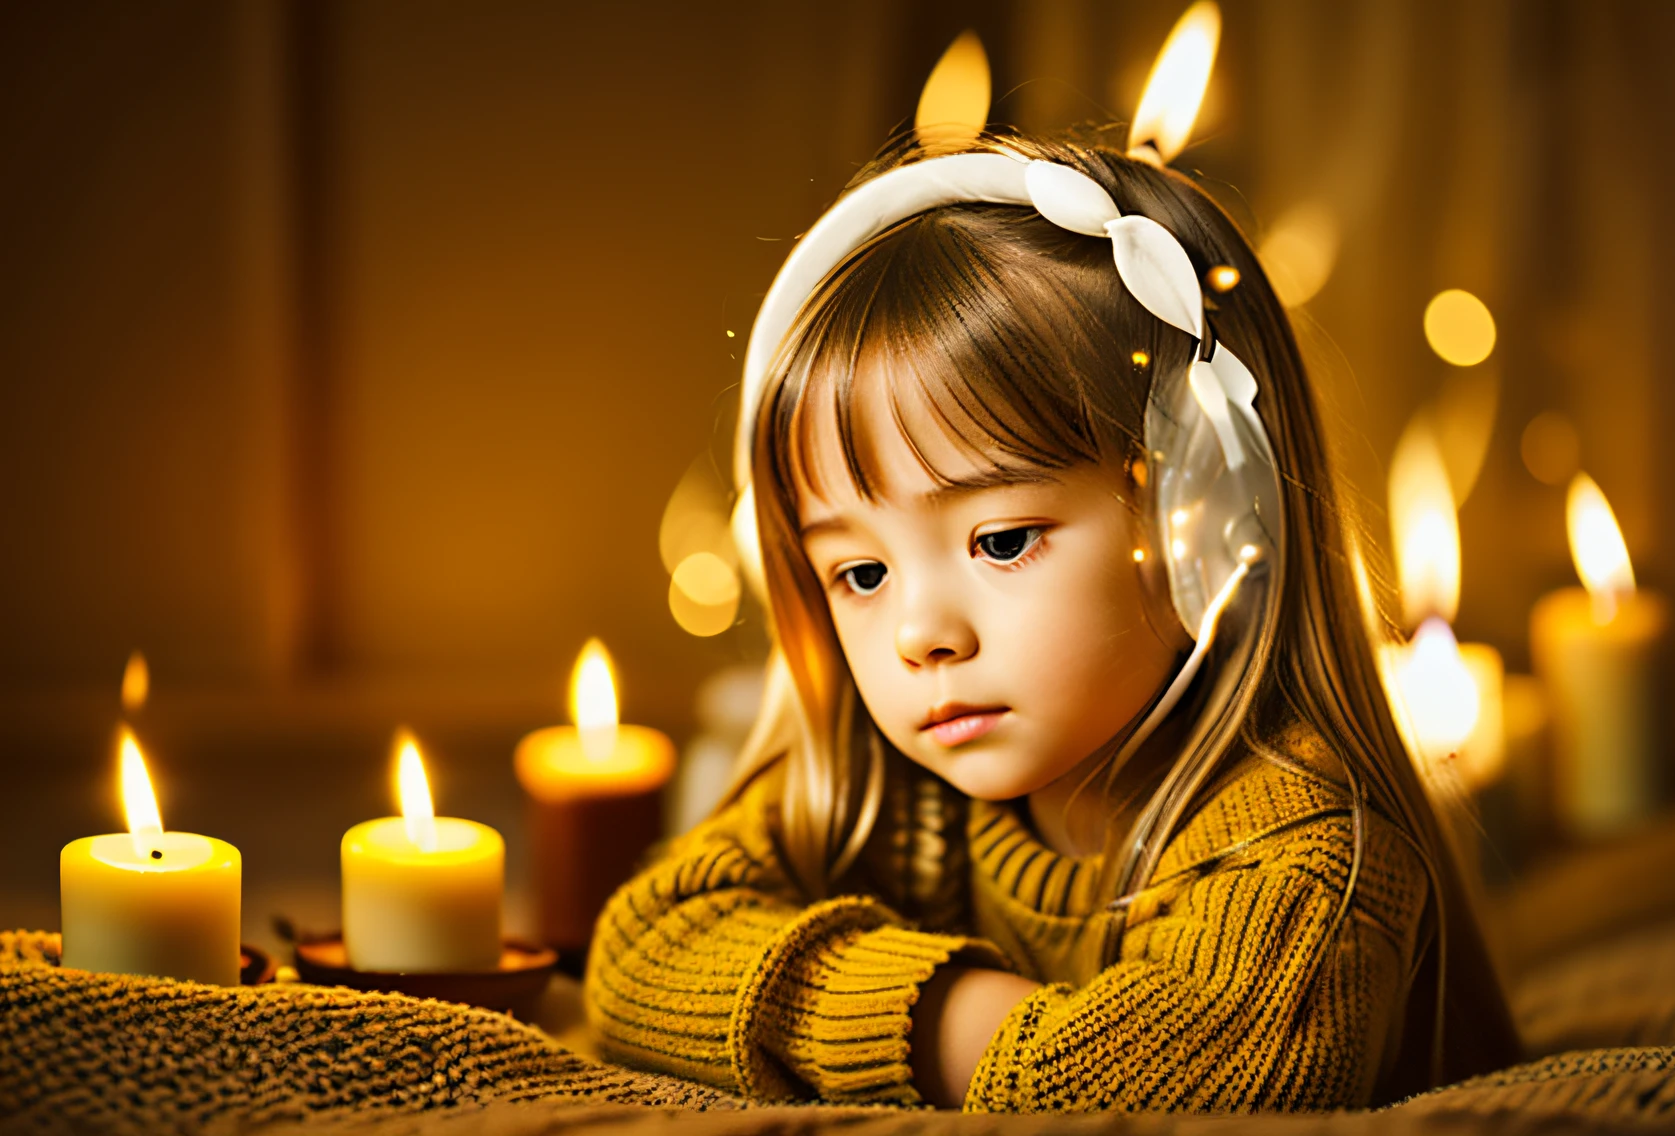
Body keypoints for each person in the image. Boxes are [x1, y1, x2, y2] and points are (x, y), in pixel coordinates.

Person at [585, 121, 1519, 1111]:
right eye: (859, 571)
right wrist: (947, 1003)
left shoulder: (1311, 848)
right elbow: (641, 953)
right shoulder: (886, 796)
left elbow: (1191, 1077)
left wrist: (874, 1011)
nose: (919, 633)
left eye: (998, 541)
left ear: (1203, 521)